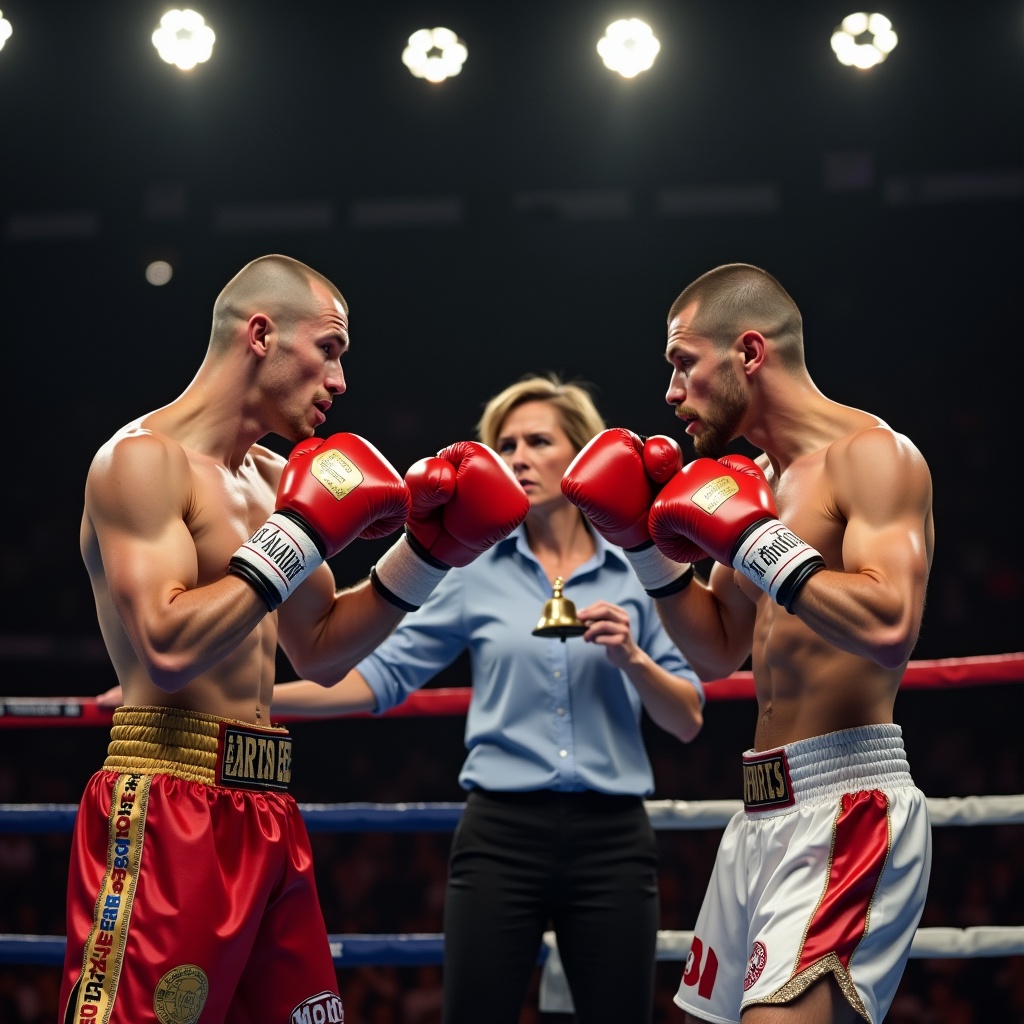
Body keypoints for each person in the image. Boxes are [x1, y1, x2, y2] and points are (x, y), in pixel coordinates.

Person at [63, 253, 529, 1024]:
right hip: (168, 799)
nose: (340, 381)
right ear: (260, 334)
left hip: (269, 806)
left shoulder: (280, 478)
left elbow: (317, 646)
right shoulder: (141, 463)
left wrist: (428, 556)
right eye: (330, 349)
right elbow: (166, 646)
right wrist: (297, 535)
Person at [561, 263, 934, 1024]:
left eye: (683, 363)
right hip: (761, 811)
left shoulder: (872, 456)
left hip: (846, 805)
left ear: (750, 353)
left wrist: (758, 542)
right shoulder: (759, 480)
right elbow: (719, 647)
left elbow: (890, 623)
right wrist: (642, 547)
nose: (671, 393)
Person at [272, 373, 706, 1024]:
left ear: (584, 454)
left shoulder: (641, 566)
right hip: (501, 834)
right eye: (505, 445)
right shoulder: (473, 568)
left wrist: (633, 659)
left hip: (613, 838)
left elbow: (688, 719)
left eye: (538, 441)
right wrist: (253, 700)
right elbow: (381, 675)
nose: (518, 458)